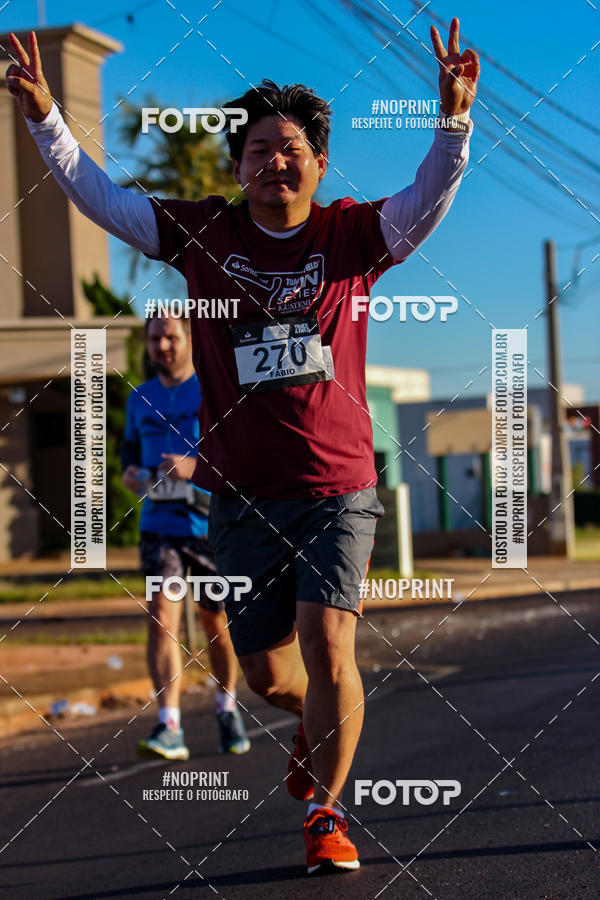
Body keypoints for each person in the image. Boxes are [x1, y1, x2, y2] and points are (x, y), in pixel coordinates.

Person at [8, 19, 479, 873]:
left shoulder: (352, 238)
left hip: (339, 485)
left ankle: (329, 815)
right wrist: (46, 117)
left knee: (331, 642)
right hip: (242, 496)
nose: (275, 160)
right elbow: (102, 198)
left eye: (292, 147)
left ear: (320, 163)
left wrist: (453, 122)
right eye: (258, 148)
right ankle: (309, 724)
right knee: (268, 676)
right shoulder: (202, 236)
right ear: (236, 167)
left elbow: (429, 197)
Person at [120, 311, 250, 759]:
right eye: (156, 339)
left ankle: (226, 706)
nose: (163, 347)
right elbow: (127, 456)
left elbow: (239, 458)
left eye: (171, 337)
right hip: (160, 526)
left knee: (217, 623)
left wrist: (192, 468)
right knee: (161, 616)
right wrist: (132, 474)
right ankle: (169, 725)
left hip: (210, 526)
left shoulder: (212, 390)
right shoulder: (140, 398)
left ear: (188, 339)